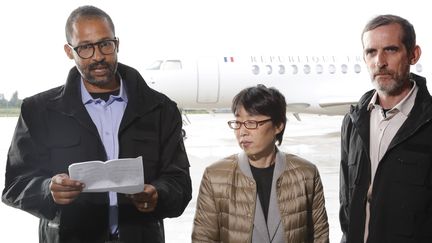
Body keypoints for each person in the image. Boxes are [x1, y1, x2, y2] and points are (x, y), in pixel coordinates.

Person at [2, 5, 192, 243]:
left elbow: (180, 183)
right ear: (69, 51)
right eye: (85, 48)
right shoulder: (39, 111)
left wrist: (158, 195)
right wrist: (47, 189)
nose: (98, 56)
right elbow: (14, 186)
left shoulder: (160, 109)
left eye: (105, 44)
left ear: (117, 44)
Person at [192, 84, 329, 243]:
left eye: (251, 122)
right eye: (238, 122)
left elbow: (320, 237)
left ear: (278, 126)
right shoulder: (215, 177)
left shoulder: (306, 174)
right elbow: (203, 239)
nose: (242, 131)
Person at [339, 14, 432, 243]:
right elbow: (347, 204)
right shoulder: (352, 122)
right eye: (371, 52)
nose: (379, 61)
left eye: (390, 50)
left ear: (413, 54)